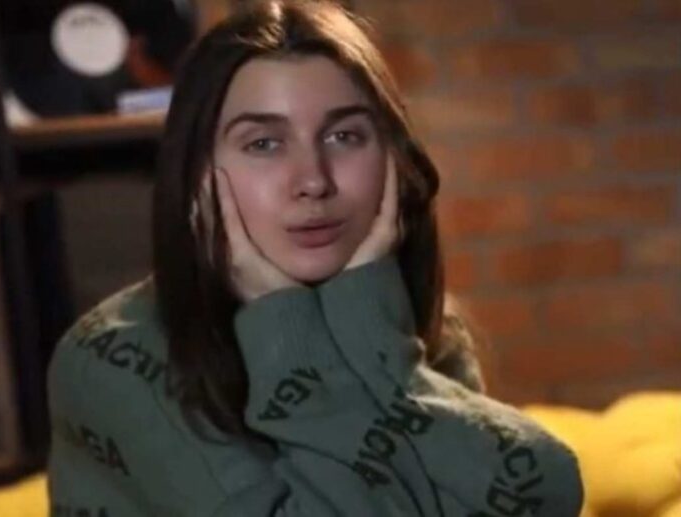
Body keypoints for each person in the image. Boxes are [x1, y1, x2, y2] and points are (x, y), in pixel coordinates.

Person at [46, 0, 584, 515]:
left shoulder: (411, 324)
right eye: (264, 144)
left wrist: (373, 338)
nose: (313, 180)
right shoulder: (114, 359)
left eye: (344, 135)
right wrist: (285, 323)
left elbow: (545, 491)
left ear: (394, 161)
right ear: (197, 174)